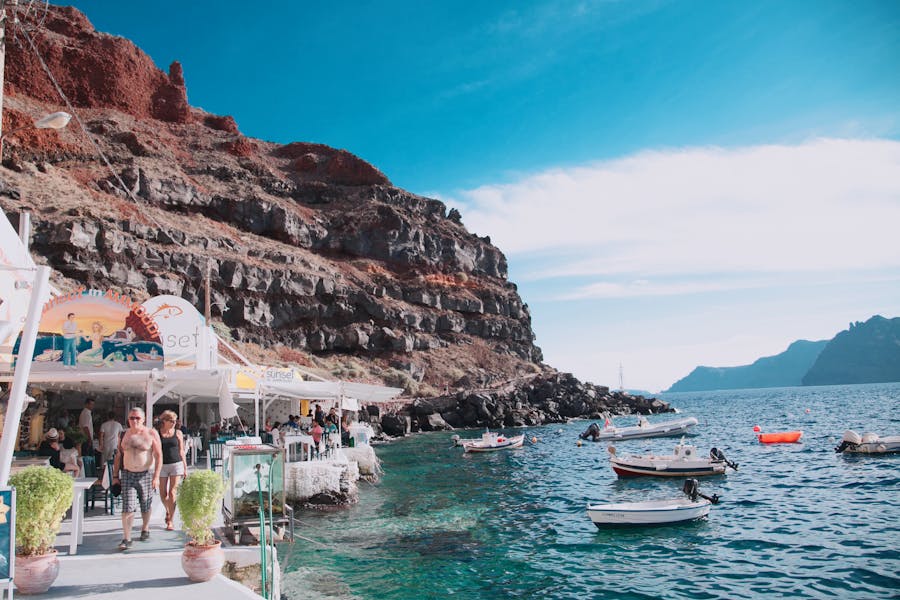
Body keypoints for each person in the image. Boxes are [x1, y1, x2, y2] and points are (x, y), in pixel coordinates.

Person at [112, 407, 162, 550]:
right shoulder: (123, 435)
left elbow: (159, 456)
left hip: (145, 473)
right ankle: (126, 538)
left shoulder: (151, 433)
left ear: (144, 419)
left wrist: (157, 476)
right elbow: (118, 456)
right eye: (131, 418)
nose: (134, 421)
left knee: (145, 504)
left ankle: (145, 528)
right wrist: (115, 476)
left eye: (137, 418)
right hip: (128, 474)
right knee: (128, 506)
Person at [157, 410, 187, 531]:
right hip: (162, 465)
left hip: (176, 464)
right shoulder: (157, 433)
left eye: (175, 421)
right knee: (163, 494)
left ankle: (170, 521)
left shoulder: (178, 433)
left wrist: (185, 467)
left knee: (172, 493)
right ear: (164, 421)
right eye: (171, 421)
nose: (174, 423)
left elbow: (181, 451)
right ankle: (168, 511)